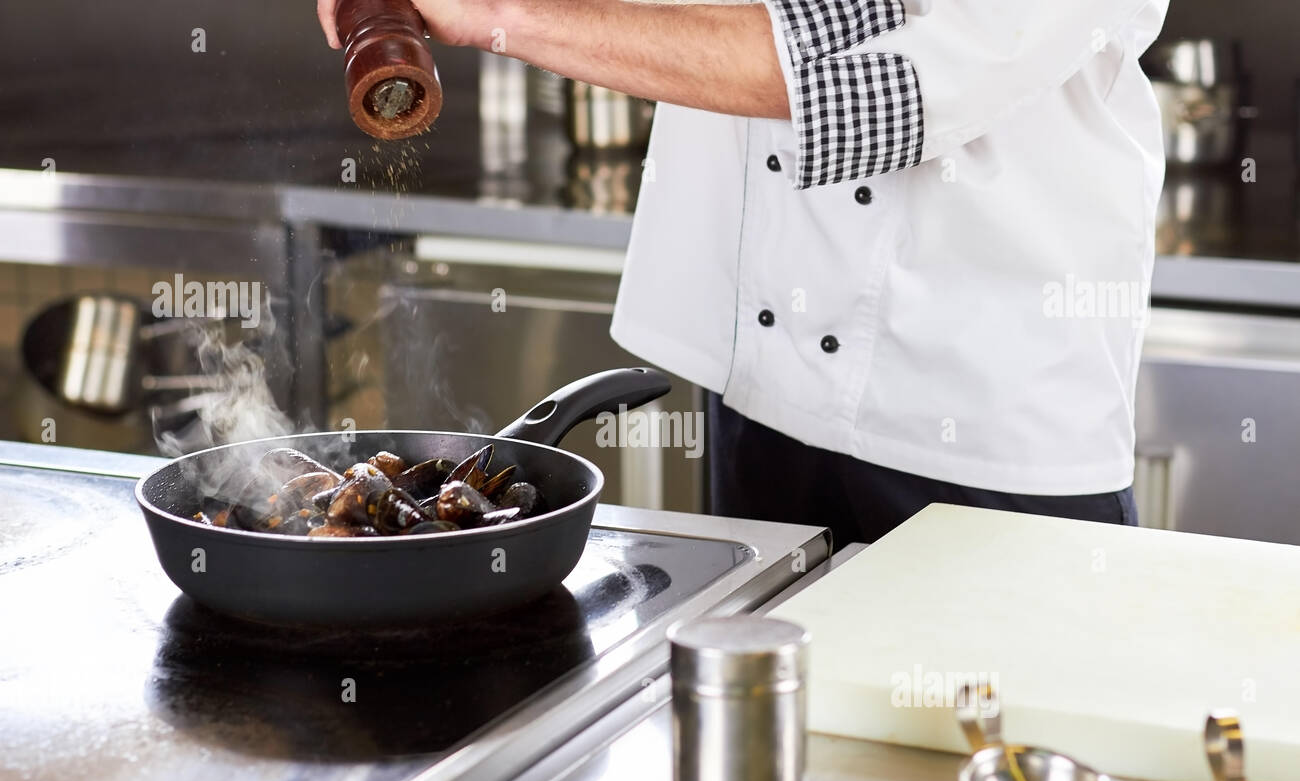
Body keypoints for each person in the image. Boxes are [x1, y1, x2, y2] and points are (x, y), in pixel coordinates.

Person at [318, 0, 1169, 547]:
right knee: (767, 774)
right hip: (763, 387)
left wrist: (497, 15)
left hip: (985, 415)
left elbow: (877, 79)